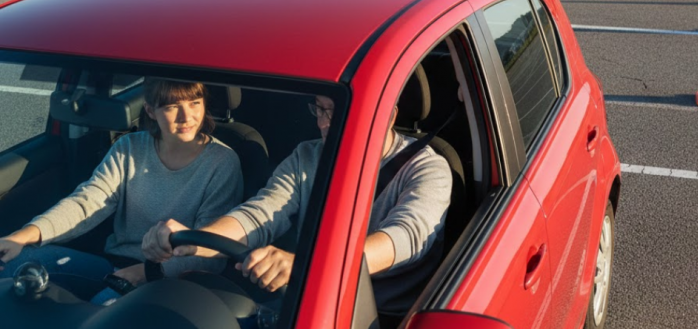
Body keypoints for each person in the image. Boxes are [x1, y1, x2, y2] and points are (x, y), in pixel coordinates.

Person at [142, 94, 451, 319]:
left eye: (338, 111)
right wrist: (196, 241)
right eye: (320, 109)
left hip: (379, 316)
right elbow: (261, 213)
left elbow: (405, 237)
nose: (324, 123)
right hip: (308, 302)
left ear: (388, 116)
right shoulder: (307, 156)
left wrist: (310, 265)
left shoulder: (427, 169)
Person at [0, 79, 243, 304]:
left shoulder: (221, 162)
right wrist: (22, 236)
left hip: (170, 280)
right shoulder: (130, 147)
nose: (186, 116)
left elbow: (210, 248)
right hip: (113, 265)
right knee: (16, 263)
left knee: (100, 310)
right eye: (172, 106)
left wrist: (147, 271)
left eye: (195, 103)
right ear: (150, 111)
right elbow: (87, 202)